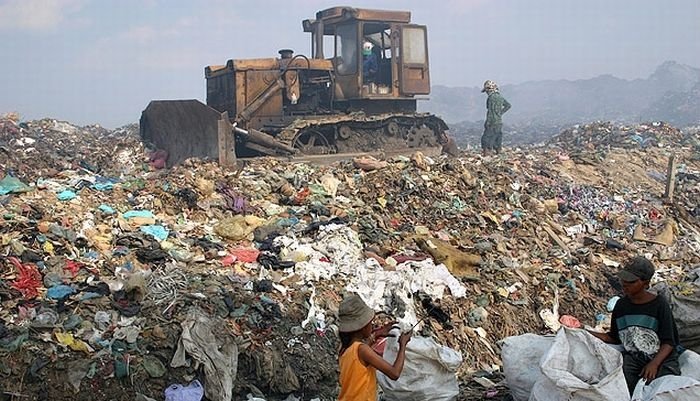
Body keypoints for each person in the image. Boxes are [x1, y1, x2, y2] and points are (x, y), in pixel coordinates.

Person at [588, 256, 681, 395]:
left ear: (646, 283)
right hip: (634, 358)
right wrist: (585, 333)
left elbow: (669, 342)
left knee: (661, 390)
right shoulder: (621, 305)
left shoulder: (659, 305)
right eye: (623, 279)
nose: (625, 284)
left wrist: (654, 364)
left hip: (661, 359)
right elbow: (614, 337)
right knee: (620, 386)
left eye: (631, 281)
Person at [337, 294, 411, 401]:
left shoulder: (345, 349)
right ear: (362, 327)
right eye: (370, 323)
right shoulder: (362, 350)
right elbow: (394, 373)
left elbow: (361, 353)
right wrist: (403, 344)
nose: (372, 326)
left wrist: (376, 335)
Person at [480, 80, 511, 155]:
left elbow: (490, 110)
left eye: (486, 91)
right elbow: (508, 105)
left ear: (489, 89)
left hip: (491, 121)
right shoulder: (500, 97)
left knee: (486, 138)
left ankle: (487, 152)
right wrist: (500, 113)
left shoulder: (490, 98)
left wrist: (487, 122)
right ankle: (498, 151)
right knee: (497, 136)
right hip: (499, 121)